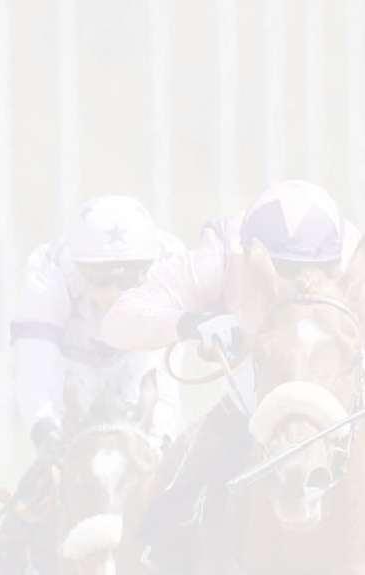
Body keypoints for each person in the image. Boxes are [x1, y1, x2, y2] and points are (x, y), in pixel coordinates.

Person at [101, 180, 362, 572]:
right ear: (254, 254)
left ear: (333, 260)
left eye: (313, 269)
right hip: (249, 404)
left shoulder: (353, 260)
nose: (298, 281)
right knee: (169, 493)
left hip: (344, 411)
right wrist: (189, 323)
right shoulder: (222, 254)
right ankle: (157, 551)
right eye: (284, 268)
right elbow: (118, 320)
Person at [0, 195, 185, 574]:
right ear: (79, 270)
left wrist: (162, 437)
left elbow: (162, 371)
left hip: (139, 358)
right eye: (101, 280)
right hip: (71, 366)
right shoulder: (48, 274)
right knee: (39, 484)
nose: (115, 293)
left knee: (168, 468)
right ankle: (3, 562)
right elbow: (35, 363)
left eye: (128, 279)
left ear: (147, 270)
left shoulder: (169, 268)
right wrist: (45, 430)